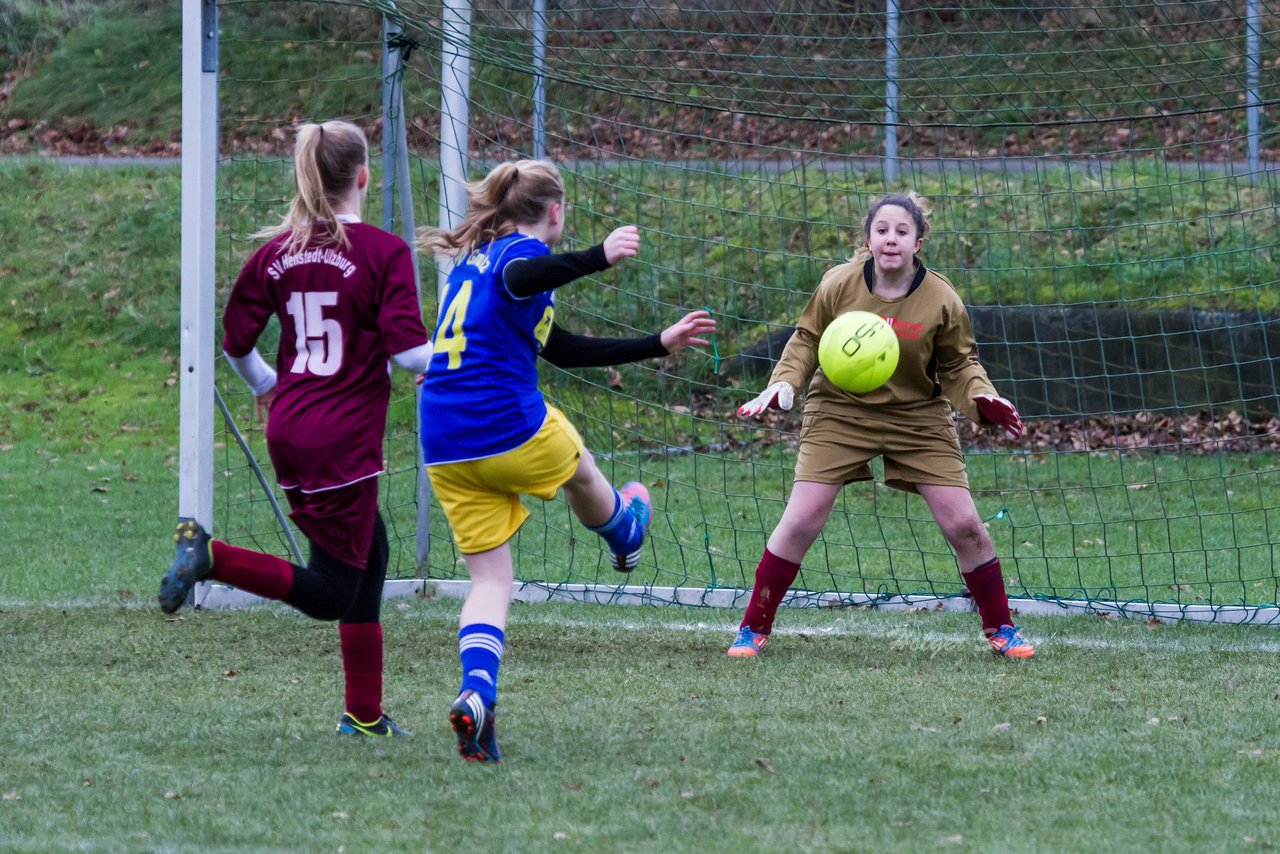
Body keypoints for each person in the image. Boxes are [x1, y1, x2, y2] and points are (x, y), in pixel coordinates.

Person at [418, 159, 716, 762]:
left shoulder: (474, 265)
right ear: (555, 212)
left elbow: (561, 349)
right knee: (576, 459)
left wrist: (656, 344)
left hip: (443, 441)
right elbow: (530, 272)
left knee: (492, 580)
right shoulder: (512, 257)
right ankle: (624, 528)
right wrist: (597, 256)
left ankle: (477, 694)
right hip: (504, 424)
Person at [159, 120, 432, 737]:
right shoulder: (384, 252)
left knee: (373, 551)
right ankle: (211, 556)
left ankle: (363, 716)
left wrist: (264, 385)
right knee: (334, 591)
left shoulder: (277, 252)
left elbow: (234, 341)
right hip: (343, 445)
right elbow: (411, 354)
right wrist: (469, 357)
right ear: (364, 176)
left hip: (292, 428)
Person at [730, 192, 1033, 660]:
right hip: (840, 411)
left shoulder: (941, 298)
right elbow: (807, 338)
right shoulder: (839, 284)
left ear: (918, 241)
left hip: (917, 417)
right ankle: (753, 627)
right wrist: (784, 384)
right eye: (882, 230)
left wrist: (980, 398)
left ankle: (1002, 629)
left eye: (902, 231)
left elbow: (959, 364)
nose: (891, 239)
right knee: (801, 519)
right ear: (869, 239)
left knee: (966, 526)